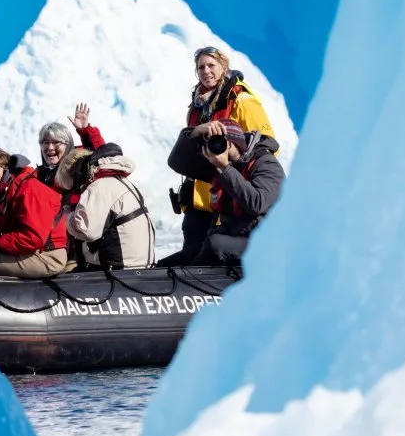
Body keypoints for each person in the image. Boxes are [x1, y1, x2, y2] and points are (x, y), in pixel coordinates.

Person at [162, 46, 278, 265]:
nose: (206, 71)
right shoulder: (196, 107)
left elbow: (265, 144)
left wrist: (233, 166)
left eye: (211, 65)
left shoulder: (242, 101)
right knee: (193, 255)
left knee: (215, 255)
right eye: (201, 67)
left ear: (224, 67)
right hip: (203, 196)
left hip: (232, 194)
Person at [187, 120, 284, 267]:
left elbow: (256, 203)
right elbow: (176, 162)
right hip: (235, 237)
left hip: (266, 244)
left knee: (215, 244)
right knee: (179, 257)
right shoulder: (219, 164)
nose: (215, 147)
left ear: (232, 143)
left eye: (219, 142)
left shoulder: (267, 164)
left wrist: (225, 168)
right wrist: (194, 132)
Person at [0, 146, 70, 277]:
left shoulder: (29, 189)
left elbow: (32, 238)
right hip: (33, 252)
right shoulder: (4, 196)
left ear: (7, 169)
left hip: (48, 255)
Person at [55, 143, 155, 269]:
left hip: (121, 267)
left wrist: (69, 216)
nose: (76, 191)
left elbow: (86, 230)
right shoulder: (118, 180)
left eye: (72, 186)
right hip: (140, 262)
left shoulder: (99, 187)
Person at [36, 103, 105, 187]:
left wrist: (85, 131)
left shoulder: (77, 164)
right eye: (46, 142)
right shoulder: (38, 176)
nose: (50, 148)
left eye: (56, 142)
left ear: (68, 145)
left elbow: (101, 156)